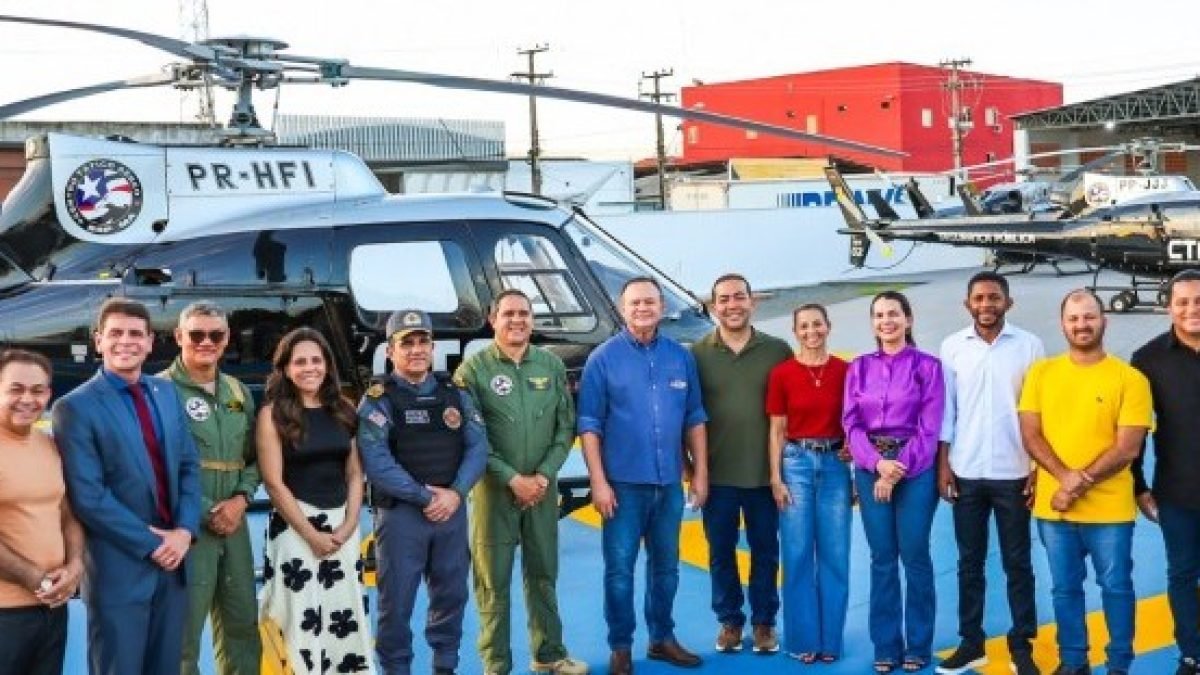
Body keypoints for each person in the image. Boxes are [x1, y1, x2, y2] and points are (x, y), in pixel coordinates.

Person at [52, 298, 201, 675]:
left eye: (136, 334)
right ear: (98, 341)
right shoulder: (74, 407)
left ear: (151, 341)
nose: (126, 341)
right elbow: (89, 495)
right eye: (115, 333)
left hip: (174, 566)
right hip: (119, 569)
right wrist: (154, 543)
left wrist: (184, 532)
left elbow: (188, 466)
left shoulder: (166, 393)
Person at [578, 276, 709, 675]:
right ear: (622, 309)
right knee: (619, 571)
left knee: (666, 568)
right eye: (634, 303)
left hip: (668, 484)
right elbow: (589, 425)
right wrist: (598, 482)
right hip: (621, 486)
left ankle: (661, 639)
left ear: (662, 306)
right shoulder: (602, 359)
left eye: (649, 302)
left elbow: (694, 417)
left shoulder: (680, 357)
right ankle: (621, 647)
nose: (642, 309)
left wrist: (699, 473)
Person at [453, 290, 588, 675]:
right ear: (493, 319)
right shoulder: (473, 371)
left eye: (524, 314)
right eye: (508, 313)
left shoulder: (550, 366)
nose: (517, 320)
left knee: (544, 573)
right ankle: (496, 664)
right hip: (493, 494)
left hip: (542, 492)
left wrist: (543, 475)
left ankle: (549, 654)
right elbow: (472, 438)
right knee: (492, 582)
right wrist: (512, 478)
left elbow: (565, 428)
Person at [1019, 289, 1152, 675]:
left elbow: (1128, 448)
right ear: (1062, 324)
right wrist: (1062, 479)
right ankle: (1073, 662)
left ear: (1104, 320)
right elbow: (1030, 434)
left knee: (1116, 589)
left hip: (1109, 511)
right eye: (1074, 318)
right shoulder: (1042, 373)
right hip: (1054, 509)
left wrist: (1077, 483)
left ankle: (1118, 665)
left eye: (1089, 317)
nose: (1082, 324)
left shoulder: (1130, 379)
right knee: (1064, 589)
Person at [357, 310, 487, 675]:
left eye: (422, 342)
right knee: (395, 602)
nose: (416, 350)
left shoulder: (456, 394)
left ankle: (445, 666)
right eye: (406, 343)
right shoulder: (378, 399)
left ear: (432, 346)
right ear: (391, 350)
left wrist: (456, 493)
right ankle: (397, 669)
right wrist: (426, 497)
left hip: (451, 512)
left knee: (452, 595)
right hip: (401, 516)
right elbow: (377, 462)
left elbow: (478, 448)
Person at [936, 272, 1043, 675]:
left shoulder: (1029, 346)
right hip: (966, 470)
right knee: (969, 562)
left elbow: (1036, 413)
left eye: (994, 298)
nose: (986, 304)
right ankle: (971, 643)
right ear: (968, 305)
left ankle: (1021, 644)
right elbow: (947, 412)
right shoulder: (952, 348)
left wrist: (1035, 467)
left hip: (1014, 471)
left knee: (1018, 562)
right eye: (979, 298)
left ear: (1007, 303)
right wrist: (944, 464)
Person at [258, 327, 374, 675]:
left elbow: (355, 473)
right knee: (299, 618)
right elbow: (274, 483)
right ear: (286, 369)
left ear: (327, 365)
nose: (310, 368)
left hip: (342, 530)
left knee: (346, 613)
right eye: (300, 362)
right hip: (295, 532)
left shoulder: (344, 408)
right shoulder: (272, 415)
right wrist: (311, 534)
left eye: (316, 360)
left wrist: (351, 523)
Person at [843, 291, 944, 674]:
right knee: (882, 558)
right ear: (873, 323)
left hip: (916, 470)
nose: (886, 321)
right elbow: (850, 423)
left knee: (915, 555)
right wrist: (875, 464)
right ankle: (886, 645)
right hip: (871, 466)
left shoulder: (928, 367)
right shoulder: (859, 368)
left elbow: (929, 426)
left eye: (894, 314)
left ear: (908, 319)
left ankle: (919, 644)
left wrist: (897, 467)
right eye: (879, 315)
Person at [691, 273, 791, 655]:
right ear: (713, 306)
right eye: (723, 299)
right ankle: (730, 621)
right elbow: (688, 416)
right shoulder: (697, 354)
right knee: (721, 552)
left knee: (766, 551)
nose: (732, 305)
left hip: (766, 475)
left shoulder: (777, 350)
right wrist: (690, 468)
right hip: (717, 476)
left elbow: (792, 409)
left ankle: (764, 622)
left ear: (753, 302)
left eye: (739, 297)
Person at [162, 301, 261, 675]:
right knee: (184, 635)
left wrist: (241, 499)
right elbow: (158, 468)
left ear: (227, 339)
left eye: (215, 335)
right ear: (178, 337)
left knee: (241, 626)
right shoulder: (161, 392)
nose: (207, 342)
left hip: (234, 526)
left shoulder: (238, 392)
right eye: (197, 334)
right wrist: (207, 511)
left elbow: (256, 457)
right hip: (186, 528)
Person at [765, 303, 851, 665]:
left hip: (835, 465)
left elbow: (856, 420)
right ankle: (802, 639)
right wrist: (775, 477)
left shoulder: (846, 370)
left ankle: (831, 639)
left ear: (828, 327)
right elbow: (777, 430)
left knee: (835, 555)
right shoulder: (782, 373)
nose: (811, 331)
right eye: (804, 326)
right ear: (795, 331)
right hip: (796, 463)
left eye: (818, 324)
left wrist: (855, 457)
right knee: (797, 555)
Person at [1132, 271, 1200, 675]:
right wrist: (1138, 485)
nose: (1192, 309)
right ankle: (1192, 654)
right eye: (1183, 302)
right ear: (1167, 307)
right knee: (1182, 575)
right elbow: (1136, 430)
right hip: (1178, 493)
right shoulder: (1148, 359)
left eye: (1199, 300)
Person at [0, 349, 83, 675]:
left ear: (49, 393)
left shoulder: (48, 444)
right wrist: (37, 579)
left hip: (51, 611)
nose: (27, 399)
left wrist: (75, 565)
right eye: (15, 389)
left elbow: (66, 513)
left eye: (37, 390)